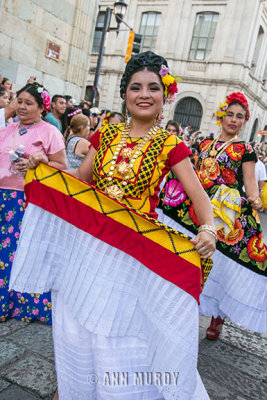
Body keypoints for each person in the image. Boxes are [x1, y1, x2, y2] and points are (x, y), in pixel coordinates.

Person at [10, 51, 216, 399]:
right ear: (125, 94)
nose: (144, 94)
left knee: (118, 326)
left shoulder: (171, 144)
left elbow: (200, 198)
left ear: (164, 96)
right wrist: (44, 166)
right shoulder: (105, 134)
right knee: (79, 317)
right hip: (89, 243)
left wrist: (208, 228)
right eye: (136, 87)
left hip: (133, 252)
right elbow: (79, 178)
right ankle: (76, 384)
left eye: (153, 87)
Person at [158, 92, 267, 339]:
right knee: (192, 251)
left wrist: (255, 199)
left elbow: (250, 183)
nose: (234, 120)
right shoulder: (206, 143)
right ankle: (184, 300)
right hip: (202, 203)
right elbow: (194, 174)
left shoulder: (246, 149)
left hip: (227, 211)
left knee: (222, 263)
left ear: (244, 122)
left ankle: (217, 317)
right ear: (221, 116)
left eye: (240, 117)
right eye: (230, 114)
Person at [0, 83, 67, 324]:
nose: (22, 107)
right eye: (19, 101)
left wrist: (40, 161)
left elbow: (62, 166)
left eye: (29, 103)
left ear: (41, 108)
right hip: (2, 197)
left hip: (28, 199)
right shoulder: (6, 129)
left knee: (24, 250)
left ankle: (25, 304)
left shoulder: (49, 131)